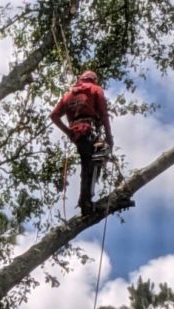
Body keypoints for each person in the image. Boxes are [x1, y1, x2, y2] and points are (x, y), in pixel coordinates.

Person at [50, 70, 113, 215]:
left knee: (87, 166)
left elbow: (54, 116)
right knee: (99, 155)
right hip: (87, 131)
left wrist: (68, 132)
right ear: (94, 80)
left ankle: (85, 202)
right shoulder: (95, 89)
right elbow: (103, 114)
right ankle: (86, 203)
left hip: (78, 135)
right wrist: (109, 137)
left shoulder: (67, 95)